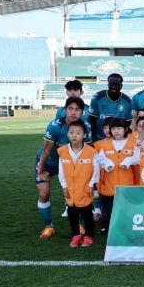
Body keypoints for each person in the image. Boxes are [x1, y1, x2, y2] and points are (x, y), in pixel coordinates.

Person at [35, 97, 92, 239]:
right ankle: (48, 226)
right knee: (44, 193)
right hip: (49, 162)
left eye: (77, 109)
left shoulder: (86, 126)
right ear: (65, 110)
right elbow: (46, 150)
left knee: (76, 193)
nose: (73, 112)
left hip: (70, 164)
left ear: (82, 112)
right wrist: (40, 170)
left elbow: (88, 149)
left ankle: (79, 225)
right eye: (70, 109)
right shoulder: (55, 126)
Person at [57, 120, 99, 247]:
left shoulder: (91, 151)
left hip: (85, 188)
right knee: (72, 212)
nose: (74, 135)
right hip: (70, 189)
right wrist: (64, 185)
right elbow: (61, 171)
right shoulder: (62, 151)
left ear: (84, 135)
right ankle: (75, 235)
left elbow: (96, 170)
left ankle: (89, 236)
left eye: (78, 133)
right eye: (71, 133)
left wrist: (91, 184)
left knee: (87, 213)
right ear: (67, 134)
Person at [96, 118, 137, 233]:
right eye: (113, 129)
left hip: (128, 183)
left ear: (125, 129)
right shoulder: (104, 144)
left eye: (119, 128)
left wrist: (129, 161)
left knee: (127, 207)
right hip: (109, 183)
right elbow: (99, 159)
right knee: (108, 208)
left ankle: (128, 227)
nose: (116, 131)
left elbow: (138, 158)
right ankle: (107, 227)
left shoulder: (133, 143)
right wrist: (107, 164)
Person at [88, 73, 132, 141]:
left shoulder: (128, 102)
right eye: (111, 84)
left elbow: (128, 124)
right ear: (108, 84)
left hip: (119, 140)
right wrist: (94, 139)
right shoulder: (97, 98)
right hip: (100, 139)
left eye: (116, 84)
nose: (114, 87)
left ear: (121, 86)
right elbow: (91, 120)